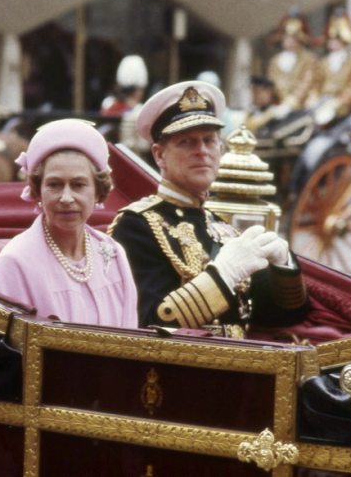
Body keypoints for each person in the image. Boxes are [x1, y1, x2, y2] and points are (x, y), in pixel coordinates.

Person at [108, 81, 308, 337]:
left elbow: (283, 316)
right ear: (159, 155)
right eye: (187, 142)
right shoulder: (137, 225)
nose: (201, 151)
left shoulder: (222, 226)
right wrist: (223, 275)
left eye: (209, 141)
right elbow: (150, 324)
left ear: (220, 149)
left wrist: (285, 266)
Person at [0, 119, 138, 327]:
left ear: (98, 192)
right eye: (55, 185)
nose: (66, 198)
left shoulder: (113, 253)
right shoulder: (14, 263)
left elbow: (131, 337)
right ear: (37, 191)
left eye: (78, 185)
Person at [310, 7, 351, 126]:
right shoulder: (323, 63)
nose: (332, 42)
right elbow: (316, 83)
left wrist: (339, 102)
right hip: (323, 103)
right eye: (331, 39)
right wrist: (313, 97)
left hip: (345, 108)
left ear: (345, 41)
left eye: (337, 40)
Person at [265, 9, 319, 115]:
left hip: (301, 107)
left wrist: (292, 101)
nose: (288, 40)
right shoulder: (275, 61)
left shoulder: (308, 59)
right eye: (286, 37)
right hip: (278, 106)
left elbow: (306, 82)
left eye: (292, 38)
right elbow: (271, 82)